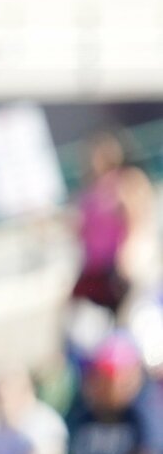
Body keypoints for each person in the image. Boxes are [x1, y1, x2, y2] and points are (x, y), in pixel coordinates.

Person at [72, 129, 157, 316]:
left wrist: (128, 255)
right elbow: (82, 230)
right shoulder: (91, 189)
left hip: (120, 265)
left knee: (129, 314)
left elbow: (137, 220)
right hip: (96, 267)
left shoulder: (127, 181)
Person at [66, 333, 163, 454]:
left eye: (115, 382)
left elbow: (151, 449)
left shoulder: (145, 419)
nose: (107, 390)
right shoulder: (80, 415)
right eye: (100, 380)